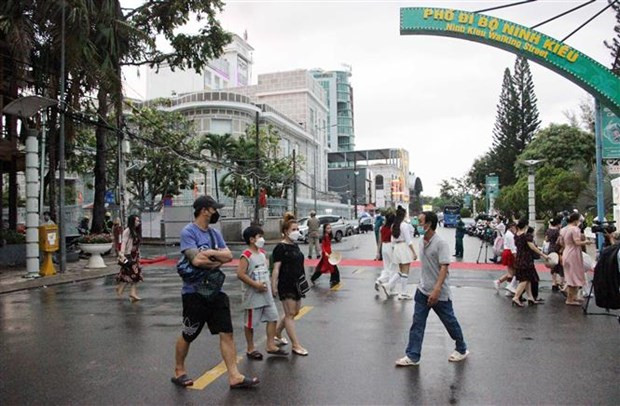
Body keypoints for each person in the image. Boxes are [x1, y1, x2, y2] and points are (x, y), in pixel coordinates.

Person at [172, 195, 259, 389]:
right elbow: (196, 260)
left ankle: (234, 376)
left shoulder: (214, 233)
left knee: (227, 332)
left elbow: (228, 255)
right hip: (193, 292)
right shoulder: (188, 232)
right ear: (204, 210)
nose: (215, 213)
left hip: (215, 291)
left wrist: (210, 256)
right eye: (213, 209)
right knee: (189, 333)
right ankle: (179, 370)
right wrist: (216, 259)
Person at [395, 211, 469, 366]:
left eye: (420, 222)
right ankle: (413, 355)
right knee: (417, 323)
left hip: (439, 293)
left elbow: (444, 268)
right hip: (422, 290)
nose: (418, 225)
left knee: (449, 322)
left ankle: (462, 348)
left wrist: (436, 290)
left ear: (428, 225)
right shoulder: (422, 241)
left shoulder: (441, 243)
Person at [237, 225, 287, 360]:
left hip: (267, 295)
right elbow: (240, 274)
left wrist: (272, 286)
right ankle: (250, 348)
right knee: (250, 324)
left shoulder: (263, 253)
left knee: (273, 317)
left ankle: (270, 345)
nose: (262, 239)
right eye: (260, 237)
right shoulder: (246, 255)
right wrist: (255, 285)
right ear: (252, 239)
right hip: (253, 297)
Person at [272, 213, 309, 356]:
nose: (296, 232)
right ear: (285, 231)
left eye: (297, 229)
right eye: (293, 229)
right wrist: (274, 285)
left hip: (297, 282)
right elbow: (276, 268)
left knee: (294, 312)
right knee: (290, 314)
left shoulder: (295, 245)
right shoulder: (280, 248)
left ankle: (277, 333)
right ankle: (296, 345)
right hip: (286, 283)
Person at [380, 206, 417, 300]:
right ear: (404, 215)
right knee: (405, 271)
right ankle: (403, 292)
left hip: (396, 247)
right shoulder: (404, 225)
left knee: (401, 271)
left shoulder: (394, 225)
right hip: (403, 247)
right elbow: (409, 240)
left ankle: (389, 285)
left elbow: (392, 240)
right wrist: (414, 252)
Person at [511, 219, 548, 308]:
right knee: (524, 280)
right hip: (526, 260)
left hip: (519, 258)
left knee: (528, 279)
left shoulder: (516, 235)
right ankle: (516, 297)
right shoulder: (526, 236)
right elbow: (532, 247)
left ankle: (530, 297)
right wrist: (543, 255)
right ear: (525, 226)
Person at [558, 212, 593, 306]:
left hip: (566, 252)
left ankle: (573, 297)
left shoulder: (563, 229)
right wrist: (586, 242)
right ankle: (570, 299)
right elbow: (577, 242)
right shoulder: (575, 229)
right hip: (574, 253)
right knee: (575, 276)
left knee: (570, 276)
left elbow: (561, 242)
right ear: (576, 220)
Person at [115, 214, 143, 302]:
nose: (138, 222)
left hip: (135, 256)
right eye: (137, 220)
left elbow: (137, 246)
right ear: (132, 221)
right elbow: (123, 242)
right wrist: (122, 254)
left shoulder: (136, 231)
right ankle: (131, 293)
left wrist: (139, 256)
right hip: (129, 255)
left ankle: (122, 289)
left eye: (138, 220)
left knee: (128, 274)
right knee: (134, 274)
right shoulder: (128, 231)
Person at [310, 223, 341, 287]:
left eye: (330, 228)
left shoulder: (328, 235)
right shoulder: (325, 236)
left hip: (329, 254)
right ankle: (334, 280)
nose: (329, 229)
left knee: (324, 268)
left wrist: (330, 252)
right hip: (326, 255)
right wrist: (325, 253)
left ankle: (314, 278)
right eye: (328, 228)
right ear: (325, 229)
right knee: (332, 268)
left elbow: (328, 246)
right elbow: (323, 246)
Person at [375, 213, 398, 295]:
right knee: (393, 268)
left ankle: (380, 280)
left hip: (384, 247)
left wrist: (378, 252)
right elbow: (394, 239)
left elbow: (379, 240)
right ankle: (391, 288)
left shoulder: (382, 228)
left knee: (386, 267)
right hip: (390, 247)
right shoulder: (392, 228)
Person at [493, 222, 517, 293]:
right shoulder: (510, 235)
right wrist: (515, 255)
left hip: (507, 252)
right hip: (510, 252)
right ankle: (509, 288)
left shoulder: (508, 233)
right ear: (511, 227)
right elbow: (512, 247)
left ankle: (499, 281)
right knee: (512, 272)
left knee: (512, 271)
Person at [545, 216, 564, 292]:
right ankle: (560, 283)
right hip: (558, 249)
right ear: (558, 224)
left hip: (551, 248)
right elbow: (560, 241)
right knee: (560, 266)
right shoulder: (559, 231)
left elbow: (546, 239)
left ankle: (554, 283)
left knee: (553, 266)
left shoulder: (548, 230)